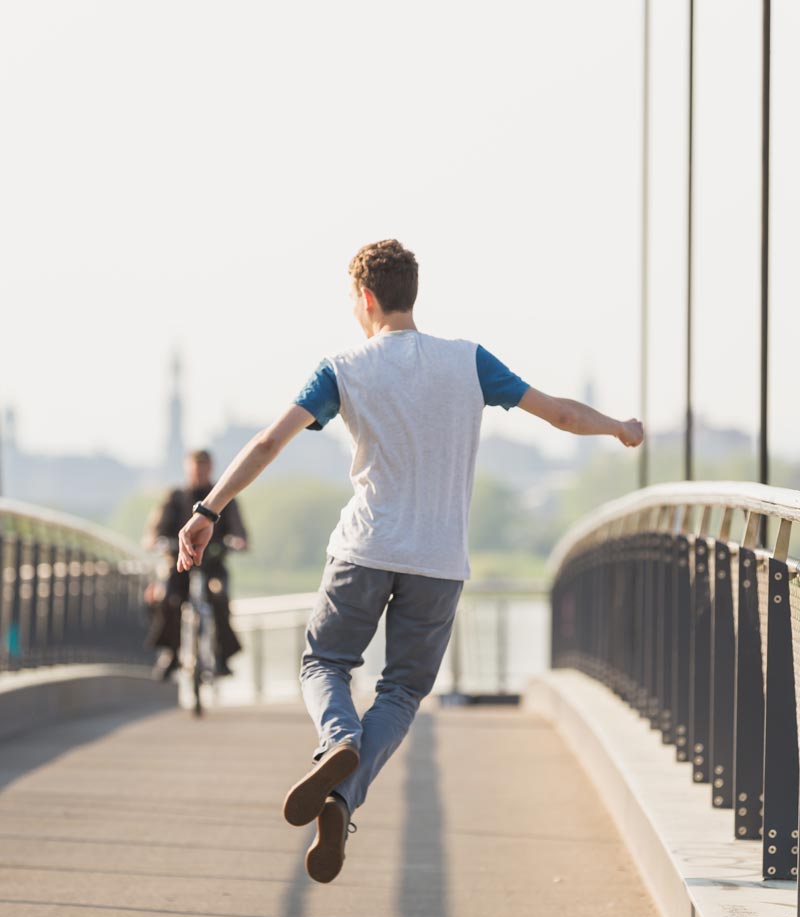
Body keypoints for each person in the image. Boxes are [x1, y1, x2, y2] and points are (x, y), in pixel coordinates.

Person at [176, 239, 644, 883]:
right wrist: (618, 427)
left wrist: (208, 509)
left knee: (324, 662)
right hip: (439, 561)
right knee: (400, 690)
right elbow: (560, 414)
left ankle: (337, 739)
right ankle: (343, 797)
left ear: (366, 298)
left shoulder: (343, 367)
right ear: (410, 293)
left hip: (364, 549)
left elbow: (267, 442)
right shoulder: (469, 361)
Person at [147, 448, 248, 679]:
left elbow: (239, 531)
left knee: (219, 596)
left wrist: (237, 542)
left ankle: (222, 656)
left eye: (203, 468)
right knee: (168, 599)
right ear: (187, 469)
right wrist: (158, 541)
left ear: (210, 468)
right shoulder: (175, 497)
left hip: (213, 563)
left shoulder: (223, 497)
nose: (199, 473)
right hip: (179, 564)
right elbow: (155, 530)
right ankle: (171, 653)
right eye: (195, 468)